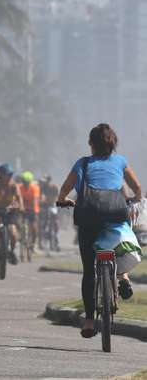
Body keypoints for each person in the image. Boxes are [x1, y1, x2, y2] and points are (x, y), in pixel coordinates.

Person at [57, 123, 141, 339]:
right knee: (121, 240)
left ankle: (89, 320)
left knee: (89, 269)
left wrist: (62, 200)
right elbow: (138, 187)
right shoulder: (121, 161)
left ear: (90, 144)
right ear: (113, 143)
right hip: (115, 213)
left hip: (89, 215)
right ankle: (123, 278)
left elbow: (66, 188)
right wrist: (134, 200)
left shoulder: (83, 163)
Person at [0, 163, 23, 264]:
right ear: (1, 175)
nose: (8, 177)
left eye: (10, 174)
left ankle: (12, 251)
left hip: (10, 211)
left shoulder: (14, 185)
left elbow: (19, 197)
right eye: (6, 174)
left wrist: (21, 206)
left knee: (13, 233)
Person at [18, 171, 41, 251]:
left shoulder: (35, 188)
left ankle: (33, 244)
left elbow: (35, 200)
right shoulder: (19, 187)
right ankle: (19, 235)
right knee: (17, 221)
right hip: (22, 208)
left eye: (27, 182)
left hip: (32, 209)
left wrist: (32, 208)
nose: (25, 184)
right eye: (24, 182)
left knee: (34, 228)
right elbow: (16, 198)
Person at [39, 174, 60, 251]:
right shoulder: (42, 188)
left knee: (55, 222)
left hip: (53, 205)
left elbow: (58, 196)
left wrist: (55, 201)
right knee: (43, 221)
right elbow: (41, 196)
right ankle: (44, 236)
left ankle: (56, 241)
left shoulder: (54, 187)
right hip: (45, 206)